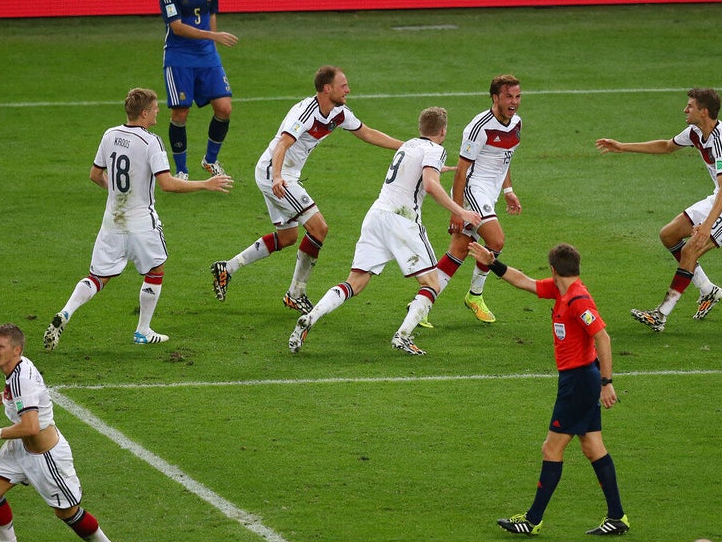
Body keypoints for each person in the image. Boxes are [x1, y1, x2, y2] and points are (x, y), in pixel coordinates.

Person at [43, 88, 233, 350]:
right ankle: (143, 330)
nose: (158, 111)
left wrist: (117, 194)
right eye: (155, 108)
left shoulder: (110, 135)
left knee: (98, 277)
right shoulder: (151, 142)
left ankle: (65, 312)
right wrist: (206, 184)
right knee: (156, 270)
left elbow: (95, 175)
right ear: (144, 113)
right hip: (142, 222)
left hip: (112, 221)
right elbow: (166, 184)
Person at [287, 107, 481, 355]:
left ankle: (311, 318)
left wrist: (444, 168)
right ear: (443, 131)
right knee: (432, 283)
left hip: (376, 215)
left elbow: (416, 171)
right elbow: (430, 185)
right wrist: (462, 212)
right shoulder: (435, 150)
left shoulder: (407, 145)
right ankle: (403, 336)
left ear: (421, 129)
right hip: (402, 220)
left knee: (354, 282)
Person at [468, 242, 629, 537]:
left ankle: (532, 520)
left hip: (580, 381)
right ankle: (617, 517)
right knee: (593, 447)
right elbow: (524, 282)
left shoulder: (578, 300)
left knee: (551, 448)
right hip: (580, 378)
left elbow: (603, 337)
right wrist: (493, 264)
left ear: (554, 270)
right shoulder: (561, 290)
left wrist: (606, 382)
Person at [210, 66, 402, 313]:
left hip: (279, 174)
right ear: (327, 88)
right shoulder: (306, 113)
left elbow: (367, 133)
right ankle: (296, 293)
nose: (348, 90)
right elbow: (282, 145)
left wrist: (406, 146)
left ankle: (227, 268)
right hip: (275, 174)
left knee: (288, 237)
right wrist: (278, 177)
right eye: (343, 86)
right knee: (319, 227)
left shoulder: (338, 113)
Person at [0, 324, 126, 542]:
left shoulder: (20, 377)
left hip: (46, 458)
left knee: (67, 512)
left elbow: (31, 426)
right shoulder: (16, 369)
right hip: (21, 448)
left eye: (0, 347)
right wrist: (1, 397)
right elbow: (28, 398)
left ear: (16, 350)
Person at [595, 88, 722, 332]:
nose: (685, 109)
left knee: (691, 249)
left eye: (689, 106)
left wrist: (707, 226)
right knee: (668, 235)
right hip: (719, 198)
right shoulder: (695, 132)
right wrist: (622, 147)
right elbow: (667, 146)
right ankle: (708, 290)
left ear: (704, 111)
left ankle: (661, 314)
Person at [427, 74, 523, 326]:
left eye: (517, 96)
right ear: (495, 97)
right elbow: (461, 171)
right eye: (508, 97)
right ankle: (475, 294)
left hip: (490, 192)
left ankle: (422, 305)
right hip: (472, 189)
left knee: (459, 249)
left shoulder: (516, 123)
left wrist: (508, 190)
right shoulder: (479, 127)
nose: (514, 102)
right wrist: (457, 211)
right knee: (496, 240)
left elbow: (506, 157)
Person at [159, 0, 239, 179]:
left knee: (224, 108)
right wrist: (213, 37)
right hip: (179, 57)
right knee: (180, 113)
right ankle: (181, 171)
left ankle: (210, 160)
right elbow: (177, 27)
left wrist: (211, 42)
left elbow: (211, 13)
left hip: (207, 56)